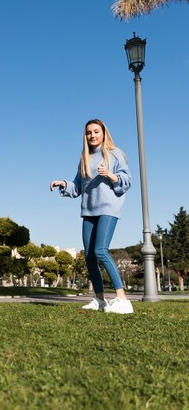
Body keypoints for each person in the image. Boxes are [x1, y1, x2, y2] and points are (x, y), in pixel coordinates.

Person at [50, 119, 133, 314]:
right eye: (89, 132)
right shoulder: (85, 159)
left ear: (104, 133)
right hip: (89, 210)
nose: (92, 135)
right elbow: (77, 186)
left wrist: (110, 176)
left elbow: (126, 180)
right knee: (89, 256)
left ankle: (122, 299)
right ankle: (100, 299)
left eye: (96, 131)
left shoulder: (115, 154)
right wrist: (63, 183)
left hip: (108, 208)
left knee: (100, 250)